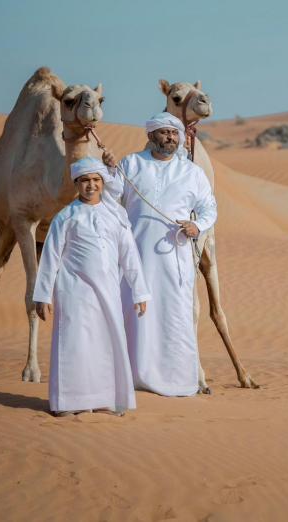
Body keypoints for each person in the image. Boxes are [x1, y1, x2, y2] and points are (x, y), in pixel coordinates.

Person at [101, 112, 217, 397]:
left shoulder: (192, 172)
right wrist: (109, 171)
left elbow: (209, 208)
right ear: (151, 136)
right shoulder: (131, 163)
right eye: (164, 133)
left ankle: (175, 380)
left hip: (174, 257)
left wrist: (197, 225)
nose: (171, 138)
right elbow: (111, 195)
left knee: (173, 314)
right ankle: (132, 376)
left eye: (175, 134)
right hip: (135, 254)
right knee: (134, 311)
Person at [32, 157, 151, 417]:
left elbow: (129, 257)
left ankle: (107, 400)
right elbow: (50, 257)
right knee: (73, 344)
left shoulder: (114, 216)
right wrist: (43, 295)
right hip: (73, 291)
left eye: (96, 180)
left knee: (106, 345)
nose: (91, 185)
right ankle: (68, 402)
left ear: (102, 182)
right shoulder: (65, 216)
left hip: (108, 292)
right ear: (76, 183)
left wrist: (139, 291)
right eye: (85, 180)